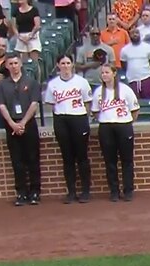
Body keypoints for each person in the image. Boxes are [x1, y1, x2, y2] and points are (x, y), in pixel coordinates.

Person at [44, 54, 94, 203]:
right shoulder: (53, 84)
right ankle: (71, 191)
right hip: (61, 119)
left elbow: (87, 102)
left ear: (72, 65)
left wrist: (81, 114)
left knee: (82, 156)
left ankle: (85, 191)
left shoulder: (82, 82)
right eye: (62, 63)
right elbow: (51, 104)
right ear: (58, 65)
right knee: (67, 158)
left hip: (78, 118)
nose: (65, 66)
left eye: (68, 63)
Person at [0, 53, 41, 206]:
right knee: (17, 161)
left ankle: (35, 191)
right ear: (7, 66)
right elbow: (2, 105)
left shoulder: (31, 82)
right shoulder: (3, 84)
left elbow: (34, 104)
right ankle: (21, 192)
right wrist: (12, 124)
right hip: (11, 125)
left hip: (28, 123)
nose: (14, 66)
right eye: (11, 64)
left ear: (20, 64)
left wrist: (22, 123)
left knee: (33, 159)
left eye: (16, 63)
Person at [91, 64, 140, 202]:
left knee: (127, 160)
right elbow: (95, 111)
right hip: (106, 127)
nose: (104, 75)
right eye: (102, 73)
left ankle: (128, 190)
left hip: (123, 125)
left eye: (107, 72)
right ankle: (114, 191)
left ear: (114, 73)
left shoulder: (125, 90)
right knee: (110, 161)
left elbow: (135, 110)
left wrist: (125, 121)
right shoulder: (98, 92)